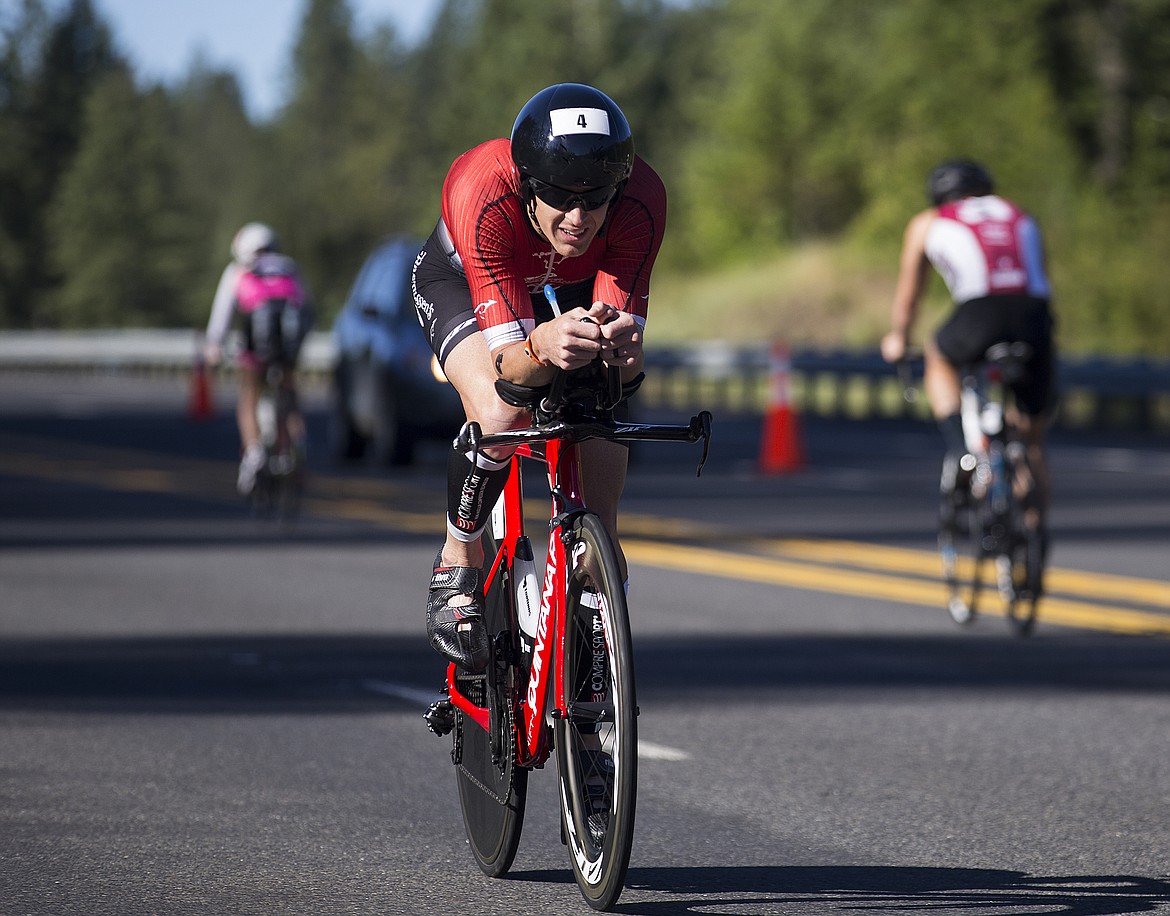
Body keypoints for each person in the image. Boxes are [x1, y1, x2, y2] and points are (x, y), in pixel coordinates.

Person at [412, 83, 667, 672]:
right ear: (528, 183)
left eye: (596, 198)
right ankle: (457, 559)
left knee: (598, 401)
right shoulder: (485, 188)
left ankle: (598, 561)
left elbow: (623, 374)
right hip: (466, 279)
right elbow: (511, 372)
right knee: (503, 414)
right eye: (557, 195)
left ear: (619, 187)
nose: (578, 217)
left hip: (571, 287)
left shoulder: (642, 200)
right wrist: (541, 345)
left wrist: (625, 358)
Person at [880, 160, 1056, 556]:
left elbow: (909, 298)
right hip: (1034, 316)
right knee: (1032, 439)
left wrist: (897, 339)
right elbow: (1038, 276)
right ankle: (1034, 537)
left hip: (980, 313)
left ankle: (963, 451)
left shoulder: (928, 221)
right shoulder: (1018, 212)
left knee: (938, 355)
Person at [205, 222, 312, 495]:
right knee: (288, 391)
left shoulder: (238, 271)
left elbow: (222, 316)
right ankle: (294, 448)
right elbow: (306, 307)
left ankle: (254, 453)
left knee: (249, 393)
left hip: (255, 345)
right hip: (288, 347)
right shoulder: (288, 266)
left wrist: (214, 347)